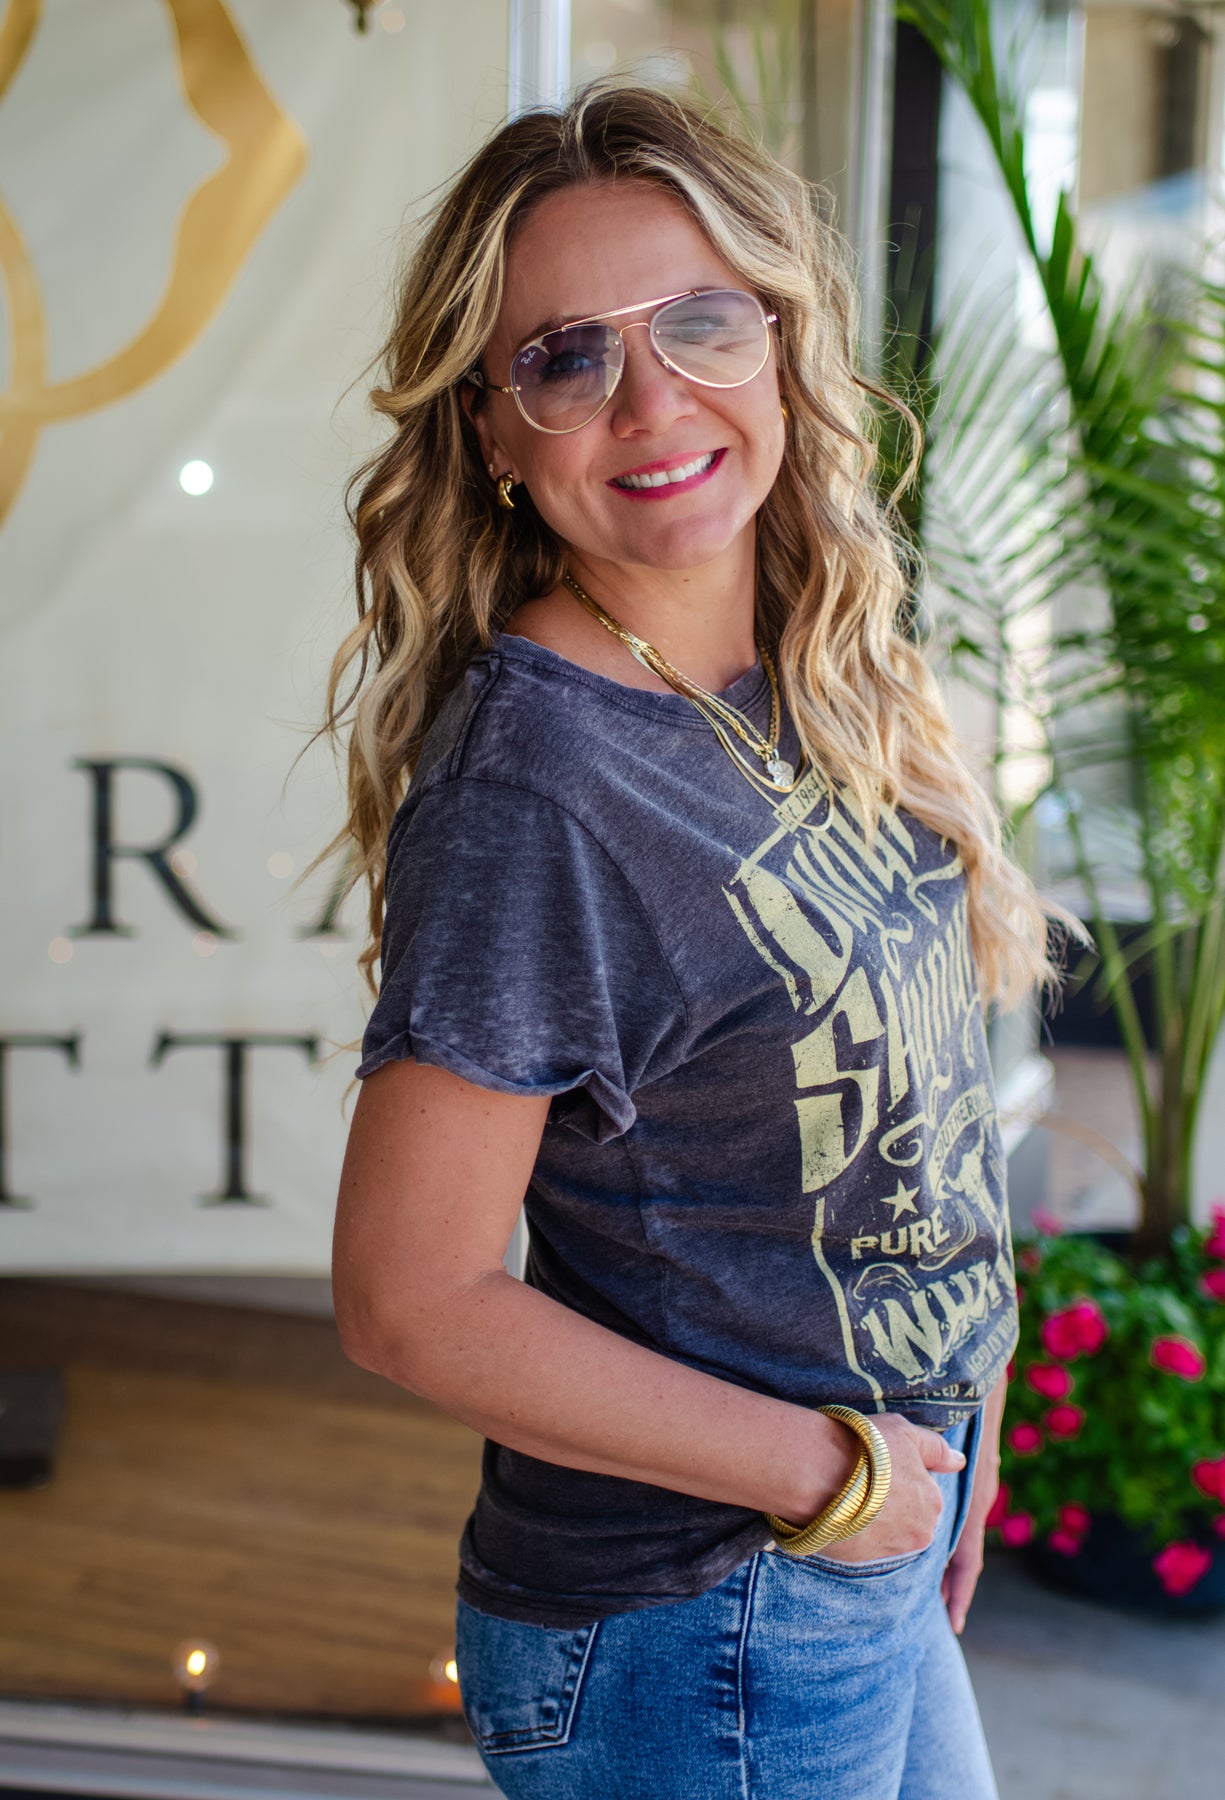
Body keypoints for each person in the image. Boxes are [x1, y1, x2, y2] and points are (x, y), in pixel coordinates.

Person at [325, 82, 1079, 1800]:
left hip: (851, 1546)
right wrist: (835, 1475)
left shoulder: (808, 665)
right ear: (492, 431)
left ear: (781, 344)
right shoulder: (540, 787)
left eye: (700, 321)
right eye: (566, 357)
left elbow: (905, 1104)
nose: (652, 398)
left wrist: (949, 1434)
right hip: (702, 1611)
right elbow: (407, 1300)